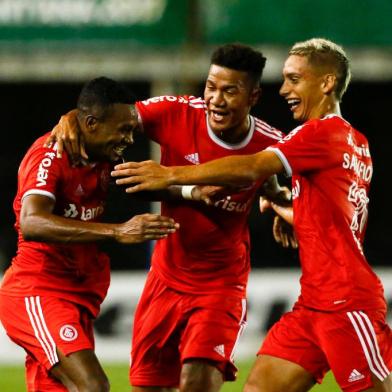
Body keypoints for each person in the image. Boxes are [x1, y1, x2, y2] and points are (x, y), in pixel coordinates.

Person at [111, 38, 392, 392]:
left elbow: (252, 167)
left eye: (294, 79)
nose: (285, 89)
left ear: (326, 82)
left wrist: (171, 174)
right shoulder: (355, 141)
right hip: (313, 303)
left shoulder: (319, 133)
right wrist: (284, 208)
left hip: (346, 302)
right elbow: (337, 218)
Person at [46, 44, 294, 391]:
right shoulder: (175, 112)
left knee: (196, 382)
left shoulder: (271, 144)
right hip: (165, 279)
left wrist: (279, 200)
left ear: (253, 96)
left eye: (230, 91)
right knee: (147, 386)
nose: (216, 99)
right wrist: (72, 116)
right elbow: (111, 117)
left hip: (220, 287)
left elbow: (284, 186)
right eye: (211, 87)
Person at [0, 77, 178, 392]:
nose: (127, 139)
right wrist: (118, 231)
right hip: (38, 290)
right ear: (92, 124)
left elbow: (150, 185)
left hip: (77, 295)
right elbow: (32, 222)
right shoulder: (50, 155)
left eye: (130, 130)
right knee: (93, 386)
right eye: (122, 130)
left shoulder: (105, 159)